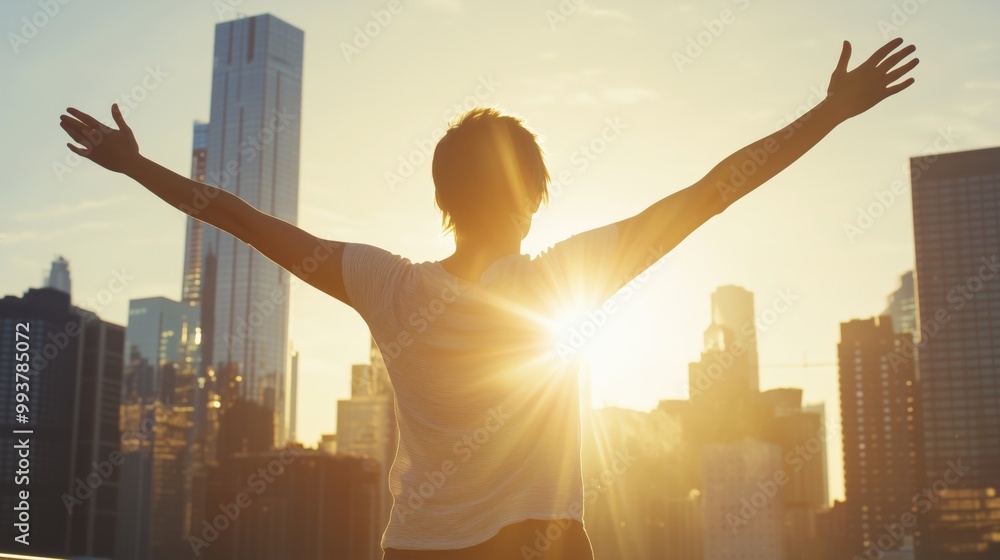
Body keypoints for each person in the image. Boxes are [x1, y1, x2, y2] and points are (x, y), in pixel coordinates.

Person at [59, 38, 917, 559]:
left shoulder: (386, 286)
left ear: (442, 201)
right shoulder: (564, 279)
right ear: (536, 196)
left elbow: (243, 221)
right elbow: (715, 190)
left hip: (420, 553)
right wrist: (831, 112)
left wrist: (135, 165)